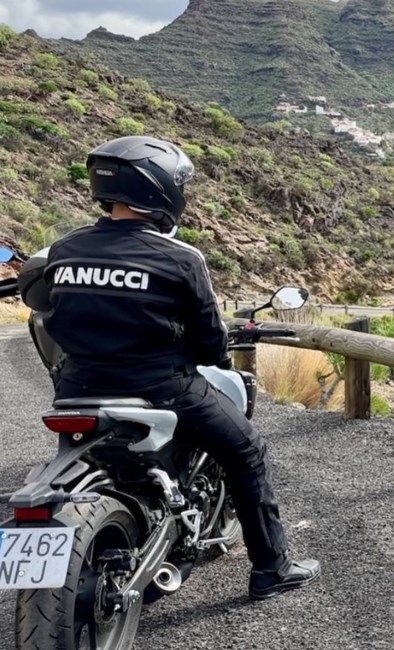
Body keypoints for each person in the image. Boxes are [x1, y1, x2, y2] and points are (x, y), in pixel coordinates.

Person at [16, 135, 320, 600]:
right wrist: (214, 352)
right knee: (247, 451)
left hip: (77, 389)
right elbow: (207, 343)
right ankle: (270, 570)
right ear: (161, 190)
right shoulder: (180, 257)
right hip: (162, 388)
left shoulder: (64, 249)